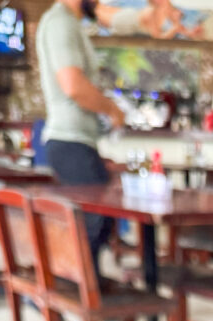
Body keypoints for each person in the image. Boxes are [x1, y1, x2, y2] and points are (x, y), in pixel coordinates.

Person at [36, 0, 167, 272]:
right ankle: (70, 291)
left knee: (100, 219)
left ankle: (83, 289)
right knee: (94, 220)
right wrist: (111, 109)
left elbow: (115, 17)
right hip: (69, 141)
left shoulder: (71, 23)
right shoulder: (60, 22)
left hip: (78, 141)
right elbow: (73, 85)